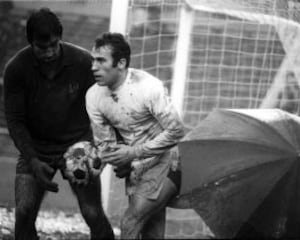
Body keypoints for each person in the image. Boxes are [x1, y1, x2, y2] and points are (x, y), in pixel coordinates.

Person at [3, 8, 114, 240]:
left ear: (60, 38)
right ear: (30, 42)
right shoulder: (16, 69)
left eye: (54, 44)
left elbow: (107, 105)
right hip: (36, 148)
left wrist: (104, 147)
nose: (49, 52)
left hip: (77, 146)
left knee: (93, 213)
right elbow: (15, 121)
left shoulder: (84, 62)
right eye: (42, 47)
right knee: (23, 213)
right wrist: (32, 159)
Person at [87, 32, 185, 239]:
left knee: (130, 222)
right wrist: (98, 162)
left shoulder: (148, 87)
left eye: (100, 60)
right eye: (93, 59)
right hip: (136, 168)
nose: (93, 67)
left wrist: (133, 152)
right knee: (151, 233)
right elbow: (106, 144)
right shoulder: (93, 96)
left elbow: (176, 130)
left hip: (167, 161)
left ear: (120, 63)